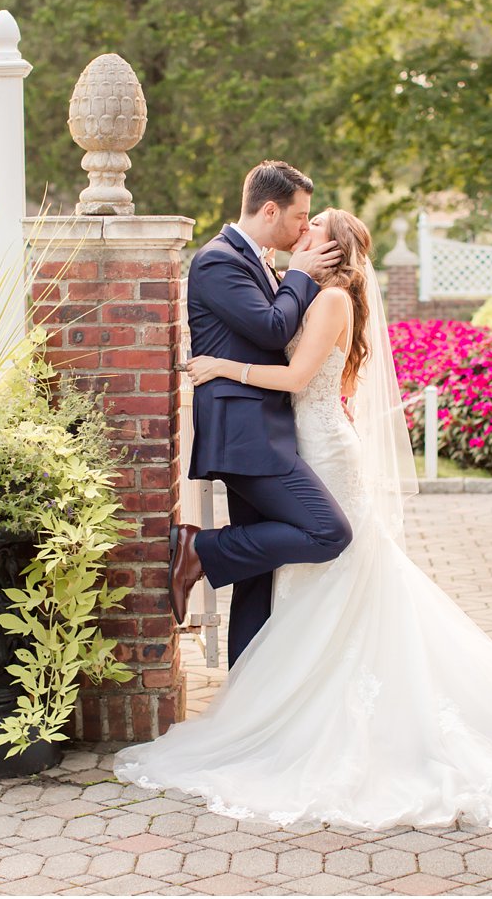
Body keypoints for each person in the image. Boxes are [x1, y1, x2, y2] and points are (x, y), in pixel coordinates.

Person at [116, 207, 492, 830]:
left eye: (314, 227)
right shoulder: (308, 291)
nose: (303, 233)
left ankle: (215, 570)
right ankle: (282, 704)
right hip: (308, 447)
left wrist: (222, 368)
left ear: (333, 248)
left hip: (319, 447)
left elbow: (297, 377)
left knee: (331, 555)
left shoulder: (326, 302)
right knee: (310, 578)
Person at [166, 160, 351, 667]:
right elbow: (272, 329)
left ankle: (244, 698)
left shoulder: (258, 262)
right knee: (328, 532)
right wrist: (300, 277)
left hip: (267, 429)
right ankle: (200, 550)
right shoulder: (217, 261)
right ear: (270, 209)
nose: (303, 227)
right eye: (300, 216)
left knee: (258, 573)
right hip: (246, 435)